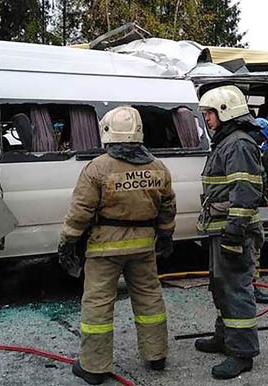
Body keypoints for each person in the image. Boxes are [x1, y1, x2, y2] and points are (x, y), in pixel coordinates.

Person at [58, 106, 176, 385]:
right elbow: (168, 206)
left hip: (104, 250)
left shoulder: (98, 168)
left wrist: (67, 242)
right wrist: (166, 235)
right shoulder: (157, 166)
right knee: (149, 298)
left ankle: (94, 368)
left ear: (107, 132)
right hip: (144, 247)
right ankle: (156, 355)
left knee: (98, 304)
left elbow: (80, 211)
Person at [196, 85, 262, 379]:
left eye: (209, 113)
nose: (207, 119)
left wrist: (234, 233)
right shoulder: (226, 142)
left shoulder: (237, 144)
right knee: (221, 285)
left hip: (233, 230)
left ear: (224, 112)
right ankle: (225, 337)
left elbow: (245, 191)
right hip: (221, 228)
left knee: (235, 289)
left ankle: (242, 353)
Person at [249, 117, 268, 304]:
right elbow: (260, 177)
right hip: (247, 211)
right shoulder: (250, 149)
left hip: (230, 210)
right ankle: (251, 287)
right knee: (253, 247)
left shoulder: (230, 142)